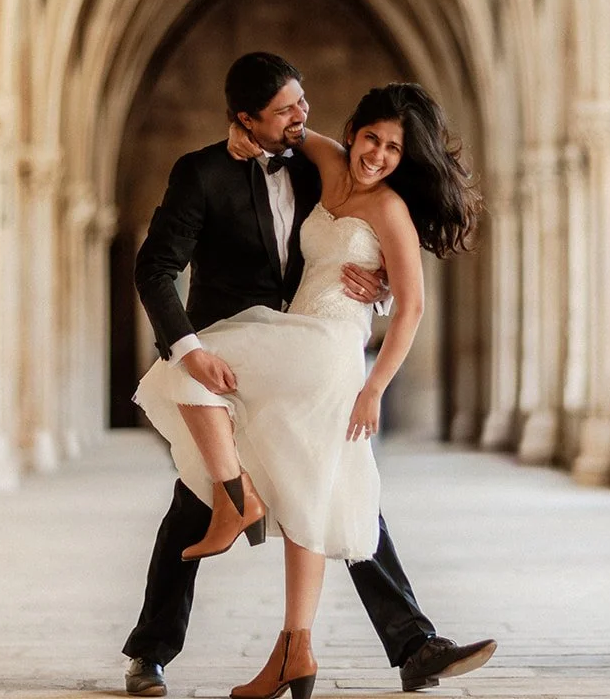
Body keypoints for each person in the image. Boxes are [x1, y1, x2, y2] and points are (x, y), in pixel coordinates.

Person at [123, 53, 496, 698]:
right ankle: (152, 654)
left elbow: (386, 273)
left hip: (310, 348)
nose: (301, 118)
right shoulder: (205, 173)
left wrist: (374, 295)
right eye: (285, 110)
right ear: (247, 119)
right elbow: (155, 269)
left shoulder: (309, 159)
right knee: (201, 503)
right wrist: (188, 346)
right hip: (238, 350)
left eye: (304, 104)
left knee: (335, 483)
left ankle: (400, 643)